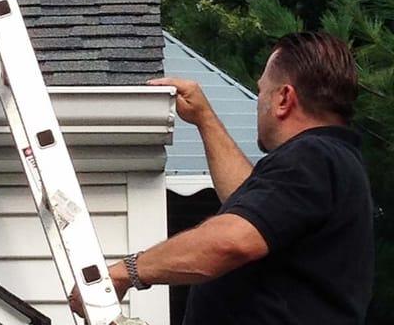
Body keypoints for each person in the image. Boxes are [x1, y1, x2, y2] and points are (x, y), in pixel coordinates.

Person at [70, 32, 374, 325]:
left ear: (283, 98)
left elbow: (232, 240)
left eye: (261, 92)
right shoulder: (331, 161)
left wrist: (125, 272)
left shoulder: (312, 156)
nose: (260, 103)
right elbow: (250, 206)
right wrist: (204, 118)